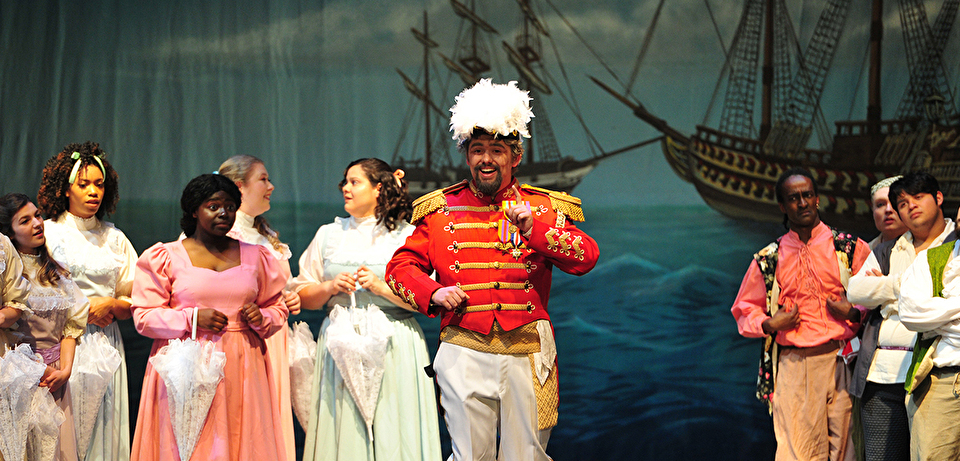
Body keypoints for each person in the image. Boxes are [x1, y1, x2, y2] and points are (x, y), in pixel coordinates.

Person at [386, 79, 600, 461]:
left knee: (527, 457)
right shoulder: (440, 210)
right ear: (467, 156)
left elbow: (586, 256)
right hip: (462, 348)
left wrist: (535, 230)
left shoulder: (545, 207)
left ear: (515, 157)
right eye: (477, 150)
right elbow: (400, 267)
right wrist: (433, 292)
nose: (486, 159)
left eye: (496, 150)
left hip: (528, 350)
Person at [290, 157, 441, 461]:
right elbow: (302, 295)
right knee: (345, 430)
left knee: (394, 425)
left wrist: (380, 287)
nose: (345, 188)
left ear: (378, 188)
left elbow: (428, 301)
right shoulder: (329, 234)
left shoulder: (407, 236)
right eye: (345, 182)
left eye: (354, 182)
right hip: (340, 341)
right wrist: (330, 287)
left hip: (395, 342)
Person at [130, 173, 289, 461]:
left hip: (242, 364)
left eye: (230, 207)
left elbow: (278, 308)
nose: (223, 213)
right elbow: (144, 317)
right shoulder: (165, 256)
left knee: (241, 439)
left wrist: (261, 316)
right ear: (194, 210)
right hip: (186, 363)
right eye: (213, 206)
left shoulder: (257, 256)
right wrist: (191, 319)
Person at [730, 167, 870, 461]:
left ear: (817, 199)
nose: (802, 203)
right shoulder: (769, 258)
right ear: (783, 206)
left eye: (807, 195)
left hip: (843, 360)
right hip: (795, 364)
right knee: (798, 453)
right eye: (794, 198)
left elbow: (877, 298)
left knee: (848, 451)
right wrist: (771, 323)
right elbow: (744, 309)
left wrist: (853, 312)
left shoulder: (849, 248)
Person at [38, 141, 137, 461]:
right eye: (84, 184)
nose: (93, 192)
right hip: (59, 343)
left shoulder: (115, 238)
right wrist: (80, 311)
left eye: (99, 184)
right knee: (61, 433)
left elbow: (138, 300)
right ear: (66, 189)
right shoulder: (48, 233)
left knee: (103, 431)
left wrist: (111, 305)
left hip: (105, 342)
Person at [847, 172, 954, 461]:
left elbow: (945, 304)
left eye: (918, 197)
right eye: (903, 203)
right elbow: (856, 290)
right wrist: (902, 286)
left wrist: (886, 295)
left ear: (938, 198)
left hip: (935, 375)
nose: (911, 206)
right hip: (882, 374)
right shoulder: (888, 249)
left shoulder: (955, 245)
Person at [216, 155, 299, 461]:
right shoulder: (218, 236)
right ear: (239, 186)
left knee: (270, 420)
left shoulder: (267, 238)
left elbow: (280, 290)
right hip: (239, 339)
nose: (271, 186)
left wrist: (291, 298)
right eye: (263, 179)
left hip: (273, 339)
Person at [0, 193, 89, 461]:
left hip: (56, 378)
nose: (37, 223)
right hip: (22, 377)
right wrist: (36, 369)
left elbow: (71, 328)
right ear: (10, 233)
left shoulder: (58, 272)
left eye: (37, 215)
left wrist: (65, 370)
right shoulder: (11, 277)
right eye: (25, 221)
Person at [868, 176, 907, 250]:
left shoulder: (926, 248)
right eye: (880, 204)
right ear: (873, 209)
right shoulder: (865, 252)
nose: (888, 210)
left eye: (894, 202)